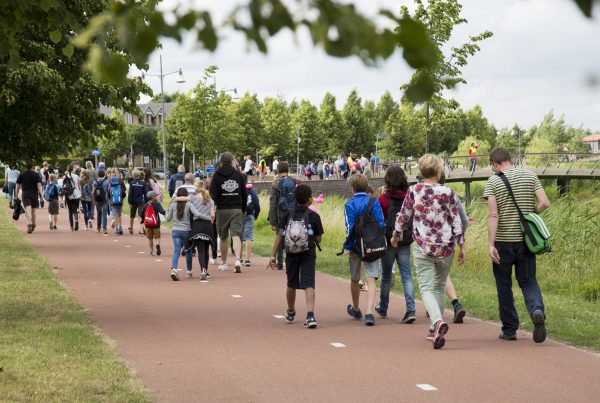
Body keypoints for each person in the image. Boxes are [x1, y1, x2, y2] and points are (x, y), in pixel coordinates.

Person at [392, 154, 465, 350]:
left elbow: (404, 215)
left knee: (425, 288)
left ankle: (438, 322)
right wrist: (462, 245)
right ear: (439, 170)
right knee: (439, 286)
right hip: (446, 245)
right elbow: (456, 219)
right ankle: (434, 327)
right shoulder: (449, 192)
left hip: (423, 246)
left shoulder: (414, 190)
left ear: (421, 172)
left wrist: (396, 235)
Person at [484, 147, 550, 343]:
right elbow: (545, 202)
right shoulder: (530, 175)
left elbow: (493, 214)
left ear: (494, 164)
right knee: (529, 281)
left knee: (504, 285)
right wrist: (531, 215)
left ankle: (510, 330)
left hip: (503, 242)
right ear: (510, 159)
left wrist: (490, 244)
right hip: (525, 241)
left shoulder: (494, 181)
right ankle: (536, 310)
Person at [269, 184, 324, 329]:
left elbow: (280, 234)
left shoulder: (287, 214)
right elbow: (318, 239)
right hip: (308, 253)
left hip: (291, 253)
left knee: (291, 283)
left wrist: (273, 255)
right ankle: (310, 315)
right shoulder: (314, 215)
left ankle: (291, 311)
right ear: (310, 199)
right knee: (309, 283)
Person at [375, 166, 417, 324]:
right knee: (407, 275)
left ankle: (384, 306)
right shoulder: (410, 197)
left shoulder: (383, 199)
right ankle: (411, 309)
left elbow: (380, 220)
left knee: (386, 275)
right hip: (405, 240)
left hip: (389, 240)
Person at [343, 174, 385, 327]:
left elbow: (349, 228)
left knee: (355, 278)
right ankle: (369, 312)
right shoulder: (374, 201)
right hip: (371, 244)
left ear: (352, 188)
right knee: (371, 277)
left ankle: (355, 308)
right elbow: (381, 223)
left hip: (355, 245)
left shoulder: (349, 204)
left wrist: (347, 246)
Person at [209, 152, 247, 273]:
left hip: (222, 209)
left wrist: (213, 209)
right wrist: (244, 208)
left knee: (223, 236)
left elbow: (213, 194)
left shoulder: (216, 175)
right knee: (236, 235)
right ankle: (237, 260)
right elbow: (244, 193)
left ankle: (224, 262)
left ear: (220, 161)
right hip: (236, 208)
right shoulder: (238, 175)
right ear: (232, 161)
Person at [165, 187, 204, 280]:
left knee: (176, 251)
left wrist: (167, 210)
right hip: (186, 230)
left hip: (175, 230)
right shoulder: (189, 204)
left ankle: (174, 268)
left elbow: (167, 219)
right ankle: (189, 271)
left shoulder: (173, 204)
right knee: (188, 251)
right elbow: (196, 214)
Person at [268, 162, 298, 270]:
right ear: (288, 170)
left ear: (278, 170)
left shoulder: (276, 184)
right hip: (294, 214)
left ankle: (280, 263)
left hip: (281, 215)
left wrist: (272, 220)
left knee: (280, 237)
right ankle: (291, 261)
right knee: (293, 237)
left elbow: (273, 203)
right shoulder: (294, 182)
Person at [184, 179, 215, 280]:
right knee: (206, 249)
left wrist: (175, 199)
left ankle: (203, 270)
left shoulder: (192, 198)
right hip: (208, 226)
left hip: (197, 225)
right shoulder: (210, 200)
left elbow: (184, 200)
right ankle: (205, 270)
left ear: (195, 188)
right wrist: (212, 222)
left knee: (200, 250)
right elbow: (212, 215)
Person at [16, 162, 44, 234]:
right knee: (33, 211)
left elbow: (17, 185)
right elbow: (39, 185)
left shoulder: (22, 174)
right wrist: (41, 195)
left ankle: (29, 224)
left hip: (25, 194)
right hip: (34, 194)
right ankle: (33, 224)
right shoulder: (36, 175)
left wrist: (16, 195)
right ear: (32, 167)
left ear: (25, 167)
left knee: (27, 209)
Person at [241, 173, 260, 267]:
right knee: (248, 236)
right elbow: (257, 204)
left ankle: (239, 258)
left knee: (238, 236)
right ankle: (247, 259)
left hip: (239, 215)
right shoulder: (251, 190)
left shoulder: (238, 190)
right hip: (250, 215)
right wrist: (255, 215)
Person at [140, 190, 167, 257]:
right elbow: (162, 212)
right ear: (152, 197)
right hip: (156, 223)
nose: (156, 197)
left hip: (148, 224)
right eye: (155, 196)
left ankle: (152, 251)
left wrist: (143, 221)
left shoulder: (145, 205)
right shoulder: (157, 204)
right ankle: (157, 245)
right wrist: (167, 211)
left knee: (150, 238)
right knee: (157, 237)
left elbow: (142, 214)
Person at [127, 169, 146, 235]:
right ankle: (142, 228)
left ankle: (131, 228)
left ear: (133, 175)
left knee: (132, 215)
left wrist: (129, 202)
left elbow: (130, 194)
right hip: (140, 201)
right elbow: (145, 193)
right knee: (141, 215)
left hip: (133, 201)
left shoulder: (132, 183)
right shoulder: (143, 183)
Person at [64, 162, 82, 231]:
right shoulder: (76, 176)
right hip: (76, 195)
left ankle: (71, 226)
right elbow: (78, 185)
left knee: (70, 211)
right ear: (73, 169)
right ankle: (76, 222)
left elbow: (63, 187)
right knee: (75, 210)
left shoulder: (65, 177)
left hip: (68, 195)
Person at [108, 168, 126, 235]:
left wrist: (110, 198)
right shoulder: (120, 180)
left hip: (112, 201)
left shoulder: (109, 180)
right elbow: (124, 190)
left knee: (115, 215)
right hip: (120, 200)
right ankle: (120, 228)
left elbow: (108, 191)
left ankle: (117, 229)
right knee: (119, 215)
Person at [92, 169, 110, 234]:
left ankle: (98, 228)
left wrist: (93, 199)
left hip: (98, 199)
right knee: (104, 213)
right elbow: (109, 190)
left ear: (98, 175)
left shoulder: (95, 181)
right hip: (105, 198)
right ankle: (104, 229)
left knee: (99, 213)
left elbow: (93, 191)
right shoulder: (107, 181)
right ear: (104, 174)